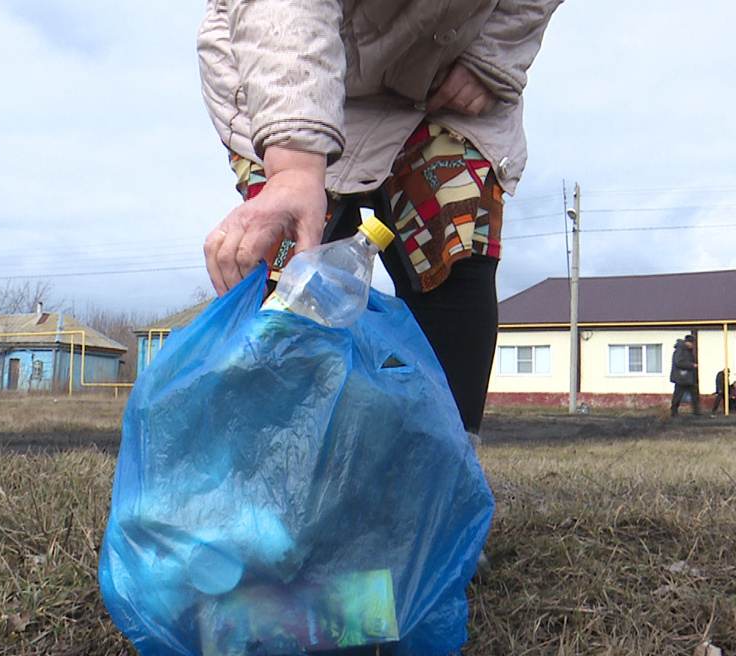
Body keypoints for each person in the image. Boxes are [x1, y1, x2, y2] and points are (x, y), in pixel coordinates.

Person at [197, 0, 564, 435]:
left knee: (454, 246)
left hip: (443, 76)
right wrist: (294, 164)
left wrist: (493, 57)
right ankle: (274, 461)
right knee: (293, 267)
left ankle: (442, 468)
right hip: (286, 70)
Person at [669, 335, 700, 416]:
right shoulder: (680, 350)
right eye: (692, 343)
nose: (693, 345)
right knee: (678, 395)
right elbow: (678, 362)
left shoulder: (688, 351)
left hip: (688, 377)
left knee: (694, 393)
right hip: (681, 377)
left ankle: (696, 411)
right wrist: (691, 365)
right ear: (688, 343)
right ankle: (674, 412)